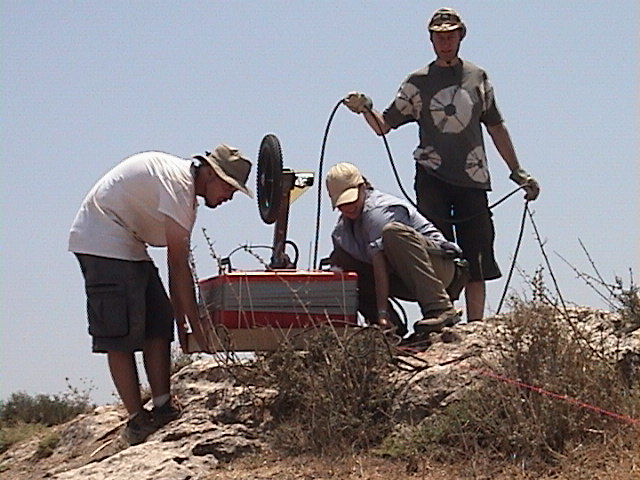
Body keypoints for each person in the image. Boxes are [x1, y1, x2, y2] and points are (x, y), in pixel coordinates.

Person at [343, 7, 540, 322]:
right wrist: (366, 108)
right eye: (439, 37)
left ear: (460, 36)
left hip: (472, 178)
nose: (445, 42)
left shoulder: (478, 78)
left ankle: (475, 324)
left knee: (477, 255)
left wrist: (517, 171)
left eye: (450, 35)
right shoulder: (418, 82)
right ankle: (443, 315)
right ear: (431, 40)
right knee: (436, 252)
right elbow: (384, 125)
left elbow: (496, 126)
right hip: (432, 176)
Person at [68, 144, 253, 445]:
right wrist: (198, 326)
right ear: (208, 173)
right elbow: (177, 265)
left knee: (158, 319)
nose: (229, 196)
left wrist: (181, 321)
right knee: (120, 333)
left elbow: (177, 267)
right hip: (102, 237)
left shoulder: (187, 194)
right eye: (228, 187)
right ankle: (136, 420)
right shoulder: (181, 189)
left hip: (128, 241)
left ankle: (163, 405)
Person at [326, 162, 464, 338]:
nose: (348, 207)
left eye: (352, 200)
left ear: (363, 187)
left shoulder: (378, 211)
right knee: (341, 260)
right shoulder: (343, 231)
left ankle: (440, 308)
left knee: (392, 233)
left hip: (439, 270)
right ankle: (390, 332)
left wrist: (382, 312)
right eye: (342, 204)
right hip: (403, 277)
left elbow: (379, 263)